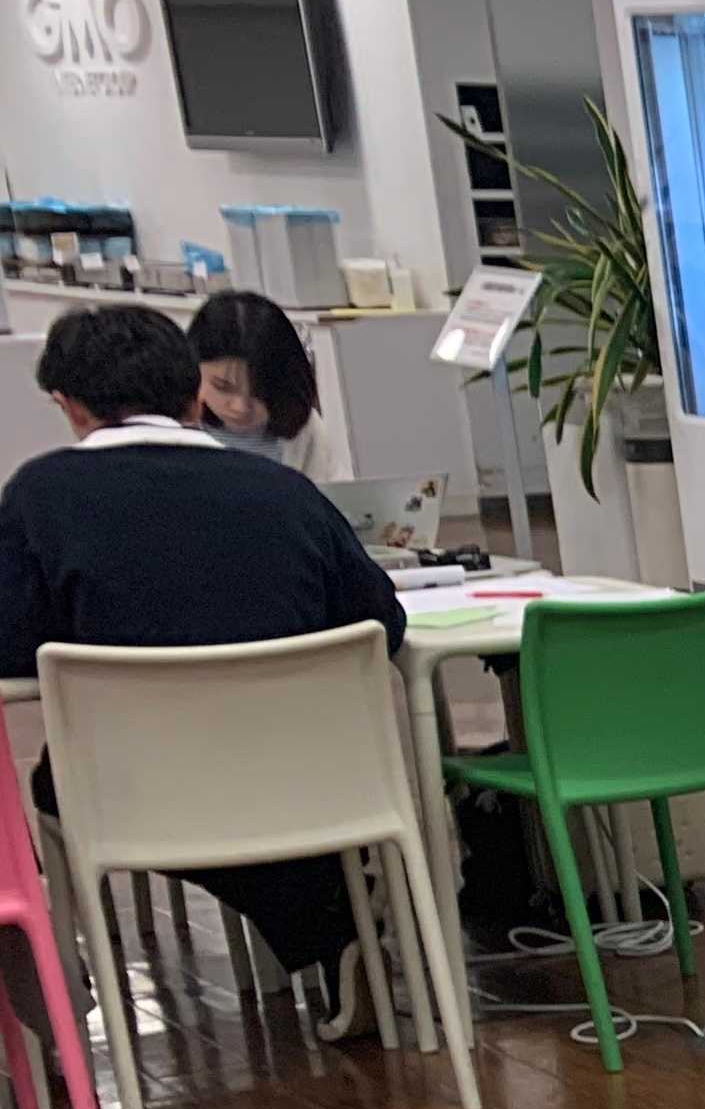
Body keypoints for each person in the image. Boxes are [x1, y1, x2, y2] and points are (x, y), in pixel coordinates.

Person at [0, 303, 405, 992]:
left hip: (133, 789)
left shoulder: (39, 497)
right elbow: (380, 625)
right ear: (194, 398)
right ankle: (336, 930)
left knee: (59, 780)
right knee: (251, 788)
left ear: (70, 407)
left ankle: (67, 986)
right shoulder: (287, 493)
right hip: (310, 778)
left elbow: (11, 647)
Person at [189, 290, 327, 474]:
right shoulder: (173, 428)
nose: (240, 407)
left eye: (260, 392)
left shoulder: (307, 431)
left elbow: (331, 489)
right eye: (222, 387)